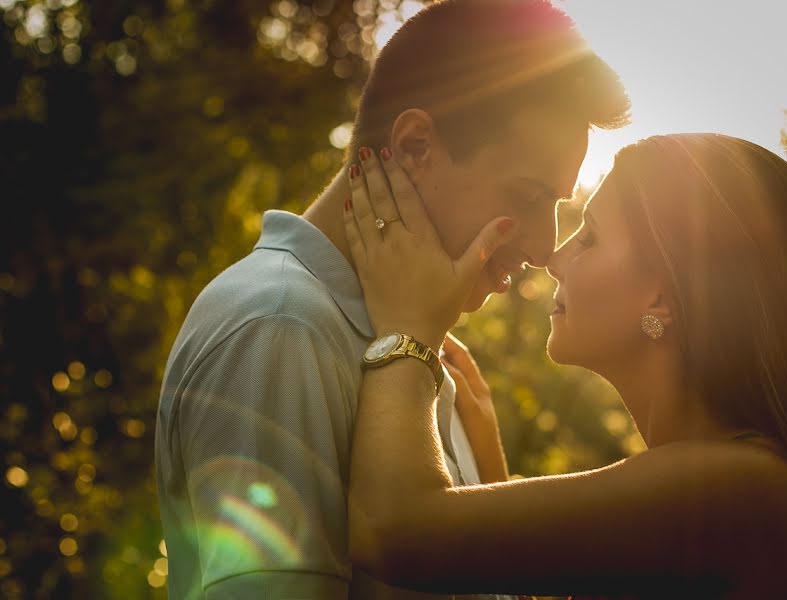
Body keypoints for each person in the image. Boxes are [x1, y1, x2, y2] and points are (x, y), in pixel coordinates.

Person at [154, 1, 630, 598]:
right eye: (529, 196)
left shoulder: (416, 345)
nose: (542, 245)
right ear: (414, 146)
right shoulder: (280, 324)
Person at [342, 133, 787, 599]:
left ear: (662, 298)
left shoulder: (737, 489)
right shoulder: (732, 480)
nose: (555, 258)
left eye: (590, 237)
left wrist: (408, 331)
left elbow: (390, 531)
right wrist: (489, 463)